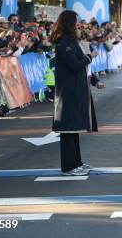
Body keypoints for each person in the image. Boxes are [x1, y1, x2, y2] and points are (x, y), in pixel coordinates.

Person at [49, 10, 99, 176]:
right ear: (70, 24)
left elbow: (81, 67)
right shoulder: (64, 43)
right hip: (67, 93)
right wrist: (89, 57)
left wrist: (93, 79)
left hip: (75, 90)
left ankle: (77, 162)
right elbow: (75, 65)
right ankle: (69, 166)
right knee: (68, 131)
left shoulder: (71, 41)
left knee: (74, 129)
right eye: (76, 22)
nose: (79, 25)